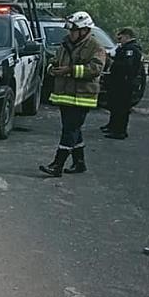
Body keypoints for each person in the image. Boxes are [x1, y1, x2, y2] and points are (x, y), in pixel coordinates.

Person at [40, 11, 106, 177]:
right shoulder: (65, 44)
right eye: (70, 30)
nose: (70, 33)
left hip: (83, 96)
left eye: (74, 30)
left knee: (69, 130)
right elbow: (55, 61)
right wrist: (52, 69)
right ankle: (79, 163)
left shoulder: (95, 47)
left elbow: (95, 69)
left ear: (84, 30)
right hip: (64, 94)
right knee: (73, 129)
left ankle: (57, 165)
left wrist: (70, 70)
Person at [102, 27, 142, 140]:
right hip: (118, 82)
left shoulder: (131, 49)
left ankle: (119, 131)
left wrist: (113, 62)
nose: (119, 40)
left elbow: (127, 66)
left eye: (121, 38)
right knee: (114, 105)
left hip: (125, 83)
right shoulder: (123, 48)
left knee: (122, 108)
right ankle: (112, 126)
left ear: (127, 36)